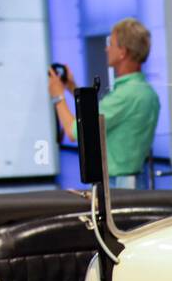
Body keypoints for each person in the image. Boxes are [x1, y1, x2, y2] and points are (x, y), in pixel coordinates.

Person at [49, 17, 161, 189]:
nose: (106, 48)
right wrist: (72, 88)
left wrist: (58, 97)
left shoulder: (125, 96)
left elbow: (76, 132)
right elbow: (100, 117)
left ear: (123, 52)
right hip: (135, 182)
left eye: (111, 44)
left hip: (118, 186)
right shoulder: (145, 92)